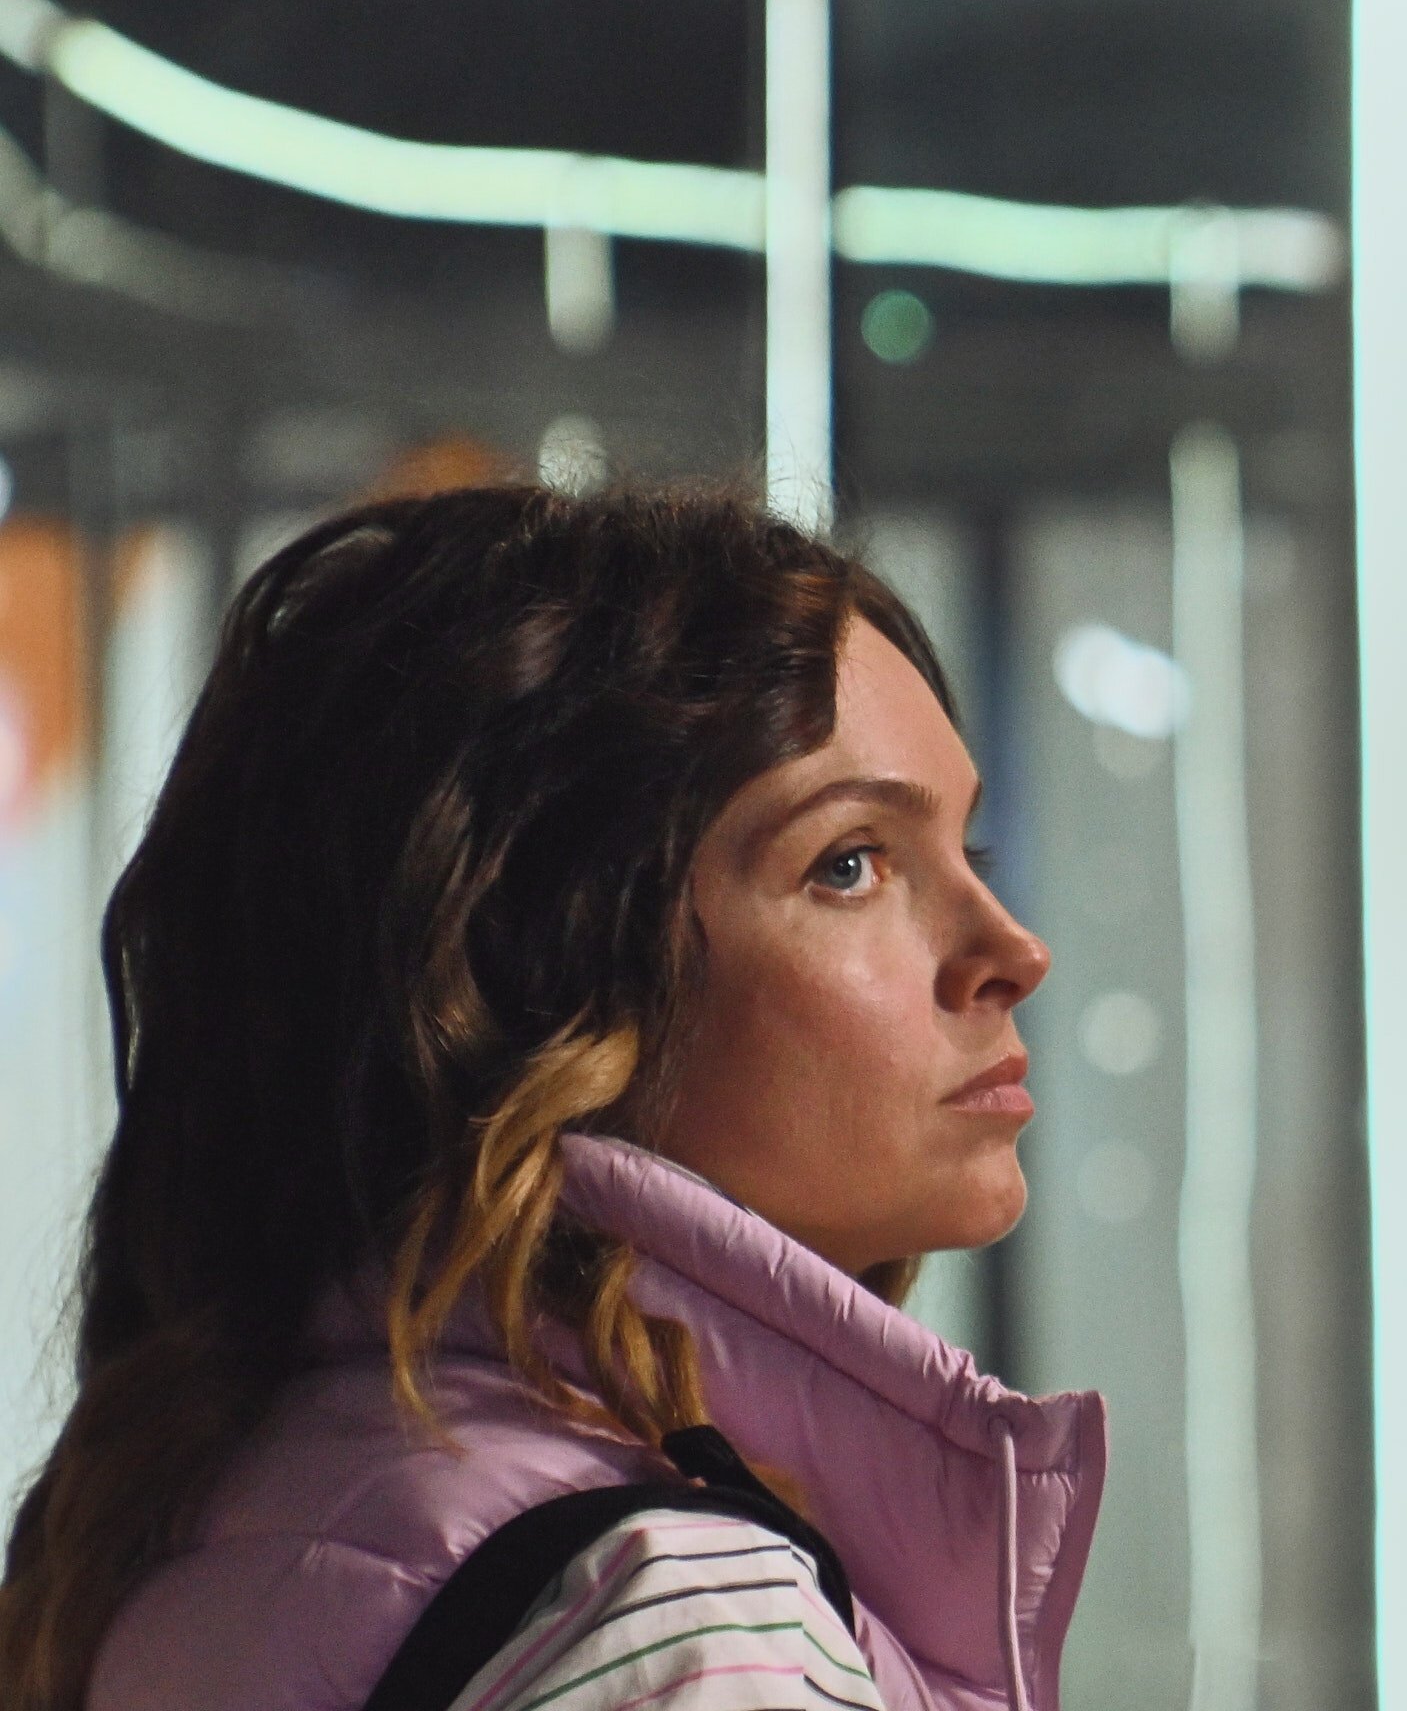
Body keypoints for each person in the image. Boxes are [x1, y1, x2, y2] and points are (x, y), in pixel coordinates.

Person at [0, 484, 1104, 1711]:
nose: (1012, 950)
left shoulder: (217, 1505)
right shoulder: (687, 1622)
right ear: (533, 980)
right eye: (848, 864)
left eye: (968, 852)